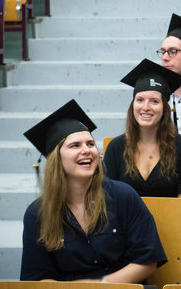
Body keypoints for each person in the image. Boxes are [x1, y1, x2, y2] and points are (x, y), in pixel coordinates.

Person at [20, 99, 166, 282]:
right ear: (56, 159)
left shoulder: (123, 196)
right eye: (75, 145)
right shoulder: (38, 214)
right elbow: (39, 277)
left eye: (90, 144)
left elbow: (147, 260)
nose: (87, 150)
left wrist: (100, 285)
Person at [104, 59, 181, 210]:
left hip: (171, 228)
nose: (146, 107)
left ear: (165, 107)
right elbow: (108, 203)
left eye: (154, 101)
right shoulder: (116, 148)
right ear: (133, 105)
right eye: (140, 100)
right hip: (125, 231)